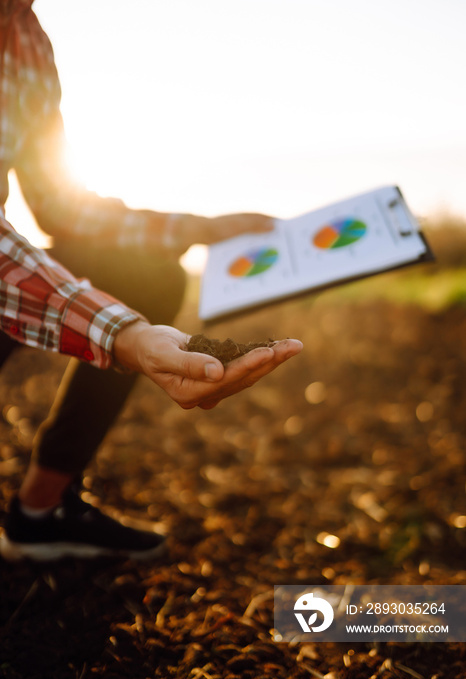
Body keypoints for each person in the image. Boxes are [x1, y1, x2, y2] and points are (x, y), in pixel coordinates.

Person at [0, 1, 302, 561]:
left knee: (144, 275)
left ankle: (42, 512)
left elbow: (60, 205)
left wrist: (200, 229)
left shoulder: (27, 38)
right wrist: (125, 336)